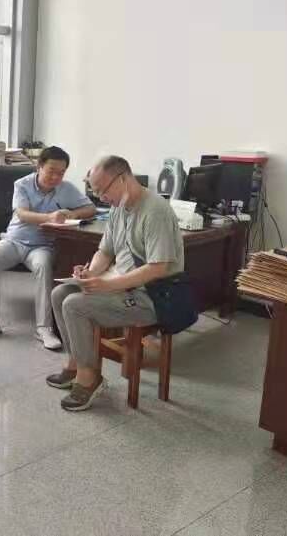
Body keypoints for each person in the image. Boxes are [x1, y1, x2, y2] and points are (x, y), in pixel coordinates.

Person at [46, 156, 184, 411]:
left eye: (102, 190)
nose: (101, 197)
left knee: (75, 305)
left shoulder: (155, 211)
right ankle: (76, 363)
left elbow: (158, 268)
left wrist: (109, 285)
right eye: (96, 192)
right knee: (60, 293)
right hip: (121, 284)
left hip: (153, 296)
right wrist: (90, 272)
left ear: (123, 179)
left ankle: (89, 378)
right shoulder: (118, 208)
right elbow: (105, 251)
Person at [0, 146, 95, 350]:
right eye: (51, 171)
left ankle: (44, 328)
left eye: (61, 173)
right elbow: (23, 214)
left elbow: (90, 208)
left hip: (42, 246)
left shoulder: (67, 188)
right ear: (39, 166)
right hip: (14, 241)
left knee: (43, 266)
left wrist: (72, 214)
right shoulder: (22, 184)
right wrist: (50, 217)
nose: (56, 177)